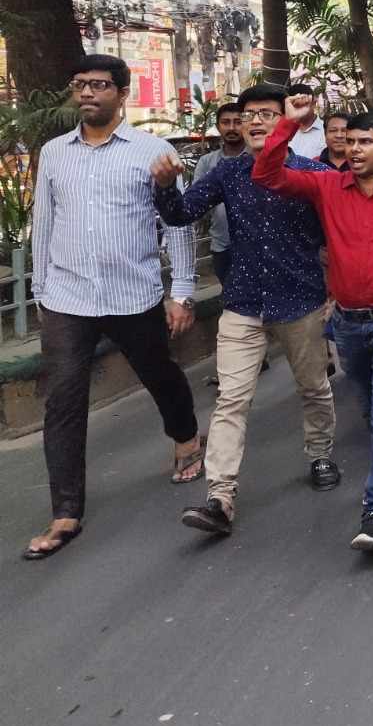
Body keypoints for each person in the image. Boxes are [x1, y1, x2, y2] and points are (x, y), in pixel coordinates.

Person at [22, 55, 202, 561]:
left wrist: (183, 290)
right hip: (67, 297)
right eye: (80, 84)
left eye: (100, 85)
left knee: (159, 373)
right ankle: (65, 511)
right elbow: (45, 222)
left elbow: (178, 224)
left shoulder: (154, 152)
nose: (87, 93)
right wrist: (41, 290)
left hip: (133, 294)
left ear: (123, 94)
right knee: (62, 400)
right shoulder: (55, 153)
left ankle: (186, 435)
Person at [152, 83, 340, 537]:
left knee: (313, 388)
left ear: (287, 121)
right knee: (231, 399)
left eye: (267, 114)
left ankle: (319, 455)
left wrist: (336, 292)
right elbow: (180, 214)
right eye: (249, 114)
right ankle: (220, 495)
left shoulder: (314, 174)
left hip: (301, 300)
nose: (255, 121)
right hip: (243, 302)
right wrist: (163, 187)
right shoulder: (226, 173)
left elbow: (334, 237)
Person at [253, 101, 373, 553]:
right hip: (348, 323)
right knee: (370, 406)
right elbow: (267, 175)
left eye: (365, 141)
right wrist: (289, 124)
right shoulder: (327, 186)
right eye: (349, 141)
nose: (354, 149)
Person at [195, 103, 246, 282]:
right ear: (218, 127)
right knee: (230, 301)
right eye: (225, 122)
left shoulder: (257, 158)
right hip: (222, 246)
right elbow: (197, 202)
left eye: (237, 122)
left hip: (257, 245)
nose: (232, 127)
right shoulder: (207, 162)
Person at [285, 82, 325, 158]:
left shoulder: (326, 131)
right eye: (295, 106)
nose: (299, 110)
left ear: (314, 103)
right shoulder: (284, 133)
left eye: (303, 105)